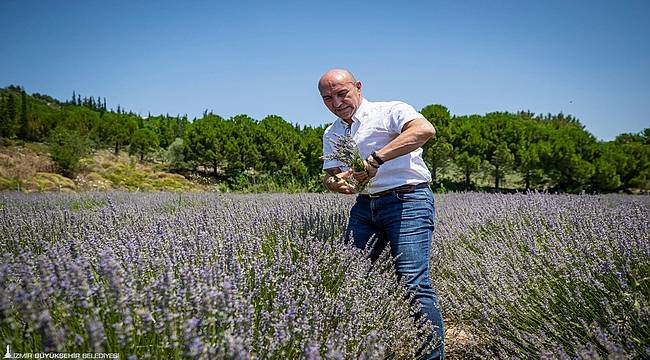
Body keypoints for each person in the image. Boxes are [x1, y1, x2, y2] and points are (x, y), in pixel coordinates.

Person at [319, 68, 444, 359]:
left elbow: (424, 130)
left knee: (413, 282)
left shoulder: (390, 111)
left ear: (358, 87)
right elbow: (330, 173)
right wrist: (336, 183)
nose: (336, 103)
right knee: (345, 275)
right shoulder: (333, 132)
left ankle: (432, 357)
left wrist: (376, 159)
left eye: (342, 94)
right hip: (365, 206)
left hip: (408, 200)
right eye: (328, 98)